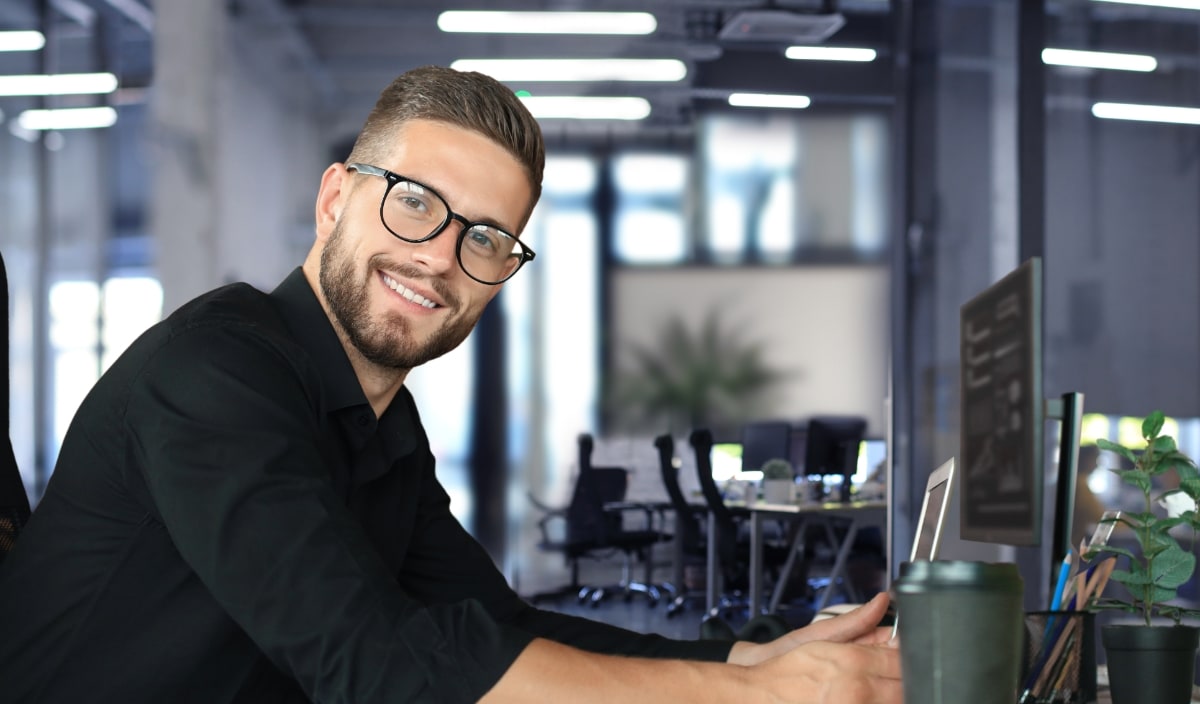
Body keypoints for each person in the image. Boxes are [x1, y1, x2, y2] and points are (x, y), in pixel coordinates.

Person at [0, 66, 901, 703]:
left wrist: (748, 659)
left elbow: (493, 627)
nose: (438, 257)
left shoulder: (379, 424)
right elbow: (374, 666)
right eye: (415, 201)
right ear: (333, 201)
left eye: (485, 237)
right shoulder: (214, 373)